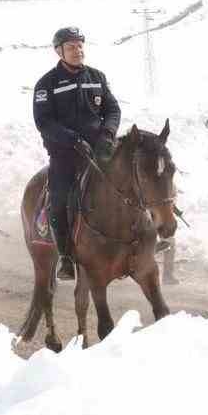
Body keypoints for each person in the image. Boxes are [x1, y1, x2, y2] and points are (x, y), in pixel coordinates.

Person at [32, 26, 121, 281]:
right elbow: (44, 122)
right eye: (71, 47)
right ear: (59, 51)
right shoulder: (46, 84)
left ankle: (143, 238)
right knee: (59, 200)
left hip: (100, 150)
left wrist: (107, 134)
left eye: (80, 45)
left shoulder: (97, 77)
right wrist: (71, 139)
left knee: (132, 181)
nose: (77, 50)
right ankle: (66, 257)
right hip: (65, 155)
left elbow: (112, 110)